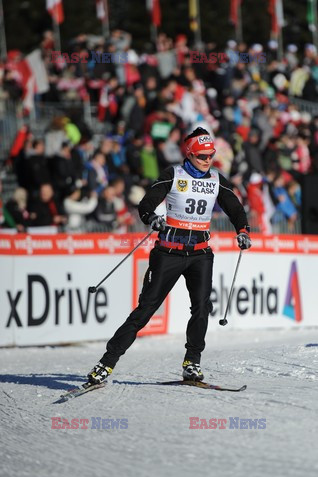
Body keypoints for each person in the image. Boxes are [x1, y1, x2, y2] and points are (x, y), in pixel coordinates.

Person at [88, 127, 251, 384]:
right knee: (145, 310)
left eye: (210, 155)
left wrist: (242, 230)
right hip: (169, 253)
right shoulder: (173, 174)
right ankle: (106, 364)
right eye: (201, 156)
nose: (207, 160)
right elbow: (145, 205)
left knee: (201, 308)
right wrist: (151, 218)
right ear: (189, 154)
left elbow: (235, 208)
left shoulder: (216, 179)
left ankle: (192, 362)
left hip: (200, 254)